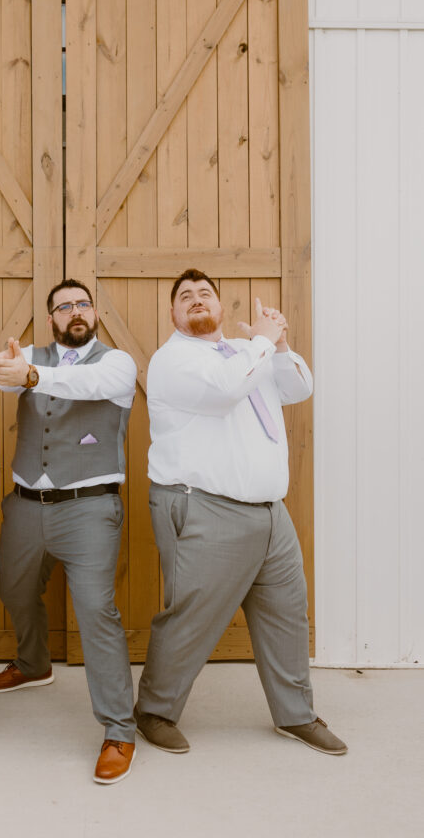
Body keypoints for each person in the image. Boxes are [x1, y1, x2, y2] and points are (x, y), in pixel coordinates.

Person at [134, 269, 347, 757]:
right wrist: (261, 346)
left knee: (287, 615)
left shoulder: (245, 355)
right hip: (207, 508)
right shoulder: (174, 361)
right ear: (172, 313)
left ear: (220, 308)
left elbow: (299, 388)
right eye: (184, 296)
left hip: (272, 514)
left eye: (204, 293)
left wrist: (279, 343)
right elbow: (227, 390)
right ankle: (153, 711)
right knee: (190, 617)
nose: (195, 300)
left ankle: (296, 715)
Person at [0, 279, 138, 784]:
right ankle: (32, 664)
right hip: (27, 504)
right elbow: (3, 378)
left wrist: (29, 374)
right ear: (51, 318)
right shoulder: (30, 353)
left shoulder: (117, 364)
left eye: (83, 304)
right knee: (14, 589)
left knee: (97, 612)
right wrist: (8, 371)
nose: (75, 311)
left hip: (89, 508)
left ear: (94, 314)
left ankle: (118, 728)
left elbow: (84, 387)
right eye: (64, 306)